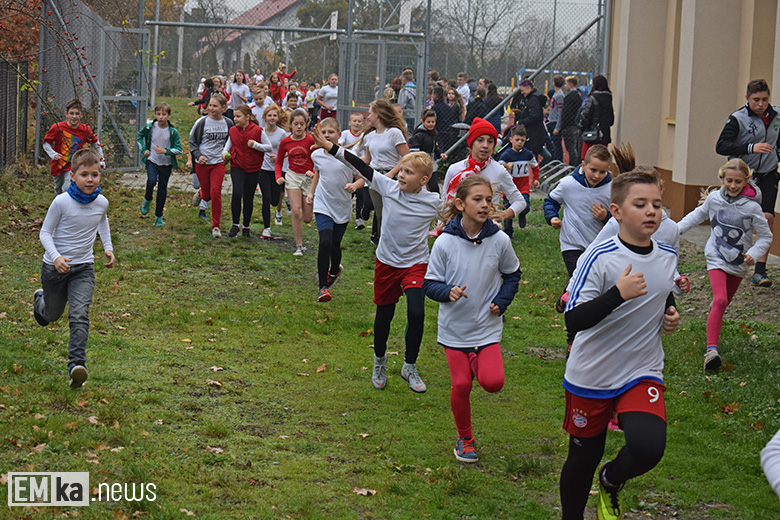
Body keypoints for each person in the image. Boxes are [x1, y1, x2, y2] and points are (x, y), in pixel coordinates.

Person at [559, 168, 680, 520]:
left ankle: (611, 480)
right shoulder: (598, 258)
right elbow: (573, 320)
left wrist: (669, 311)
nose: (652, 211)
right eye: (640, 204)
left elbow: (661, 290)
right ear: (616, 212)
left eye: (657, 204)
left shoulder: (667, 254)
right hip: (592, 373)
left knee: (648, 448)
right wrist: (617, 295)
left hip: (642, 369)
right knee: (583, 456)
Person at [312, 135, 440, 394]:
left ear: (424, 180)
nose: (401, 175)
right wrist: (332, 148)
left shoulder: (433, 202)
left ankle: (409, 366)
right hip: (387, 263)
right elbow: (361, 166)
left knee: (416, 313)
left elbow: (457, 212)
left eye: (409, 172)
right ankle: (379, 361)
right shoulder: (388, 187)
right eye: (401, 170)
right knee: (385, 315)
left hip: (415, 264)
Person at [423, 175, 521, 462]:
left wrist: (501, 302)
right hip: (455, 328)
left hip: (487, 326)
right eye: (477, 199)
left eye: (488, 200)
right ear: (460, 204)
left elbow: (513, 275)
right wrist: (447, 291)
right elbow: (429, 284)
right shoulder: (444, 243)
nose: (484, 205)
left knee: (493, 383)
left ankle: (479, 361)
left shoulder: (500, 240)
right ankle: (464, 439)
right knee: (462, 385)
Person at [677, 158, 772, 371]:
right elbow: (696, 216)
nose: (733, 186)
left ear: (746, 181)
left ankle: (714, 316)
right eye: (729, 180)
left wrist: (754, 254)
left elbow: (766, 236)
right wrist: (675, 230)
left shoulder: (752, 207)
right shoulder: (714, 199)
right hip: (716, 257)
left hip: (739, 262)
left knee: (723, 302)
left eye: (738, 181)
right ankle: (711, 352)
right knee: (720, 299)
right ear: (722, 179)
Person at [33, 148, 116, 389]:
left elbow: (102, 220)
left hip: (84, 268)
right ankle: (40, 301)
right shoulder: (61, 202)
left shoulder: (102, 202)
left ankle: (76, 366)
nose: (90, 180)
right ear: (73, 176)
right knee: (51, 315)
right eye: (84, 175)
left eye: (95, 175)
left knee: (80, 315)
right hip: (55, 269)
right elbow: (45, 232)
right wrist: (56, 256)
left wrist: (108, 248)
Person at [716, 78, 780, 287]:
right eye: (756, 100)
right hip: (744, 177)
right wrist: (751, 147)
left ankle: (760, 272)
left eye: (764, 99)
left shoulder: (777, 116)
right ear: (747, 98)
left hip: (769, 173)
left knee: (767, 218)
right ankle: (729, 261)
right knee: (740, 220)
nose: (761, 104)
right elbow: (722, 146)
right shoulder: (738, 118)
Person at [308, 119, 365, 302]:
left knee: (334, 244)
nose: (327, 135)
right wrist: (311, 193)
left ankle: (334, 270)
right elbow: (318, 173)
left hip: (342, 206)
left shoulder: (348, 155)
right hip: (323, 204)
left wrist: (354, 186)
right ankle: (323, 287)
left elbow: (361, 178)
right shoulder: (316, 155)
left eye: (331, 132)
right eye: (323, 132)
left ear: (339, 135)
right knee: (324, 241)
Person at [544, 145, 613, 279]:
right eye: (593, 170)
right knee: (577, 278)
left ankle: (567, 299)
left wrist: (606, 217)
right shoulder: (568, 184)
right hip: (572, 243)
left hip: (599, 244)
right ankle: (568, 299)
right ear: (583, 165)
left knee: (595, 281)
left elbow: (620, 218)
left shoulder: (612, 189)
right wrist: (552, 217)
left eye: (602, 172)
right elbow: (551, 201)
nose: (597, 175)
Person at [441, 118, 526, 222]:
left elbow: (520, 201)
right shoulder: (454, 169)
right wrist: (443, 226)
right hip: (456, 230)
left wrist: (503, 214)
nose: (485, 145)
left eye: (490, 141)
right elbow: (445, 203)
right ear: (471, 142)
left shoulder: (499, 171)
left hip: (487, 231)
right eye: (480, 140)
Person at [360, 99, 410, 244]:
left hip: (392, 178)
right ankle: (382, 242)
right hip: (375, 178)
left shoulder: (394, 133)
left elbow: (406, 156)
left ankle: (394, 242)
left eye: (370, 113)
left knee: (392, 213)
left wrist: (392, 173)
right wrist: (345, 158)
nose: (368, 117)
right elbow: (368, 159)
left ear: (378, 114)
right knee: (380, 213)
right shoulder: (369, 136)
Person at [222, 105, 272, 238]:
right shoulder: (233, 130)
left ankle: (246, 226)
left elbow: (269, 147)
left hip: (253, 168)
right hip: (237, 165)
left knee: (248, 197)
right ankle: (235, 225)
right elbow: (228, 145)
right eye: (234, 116)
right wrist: (224, 153)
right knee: (237, 193)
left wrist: (255, 145)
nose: (235, 119)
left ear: (247, 117)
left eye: (238, 116)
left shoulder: (258, 131)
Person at [189, 93, 234, 238]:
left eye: (215, 106)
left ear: (223, 108)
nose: (211, 108)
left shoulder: (228, 123)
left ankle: (216, 226)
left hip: (218, 163)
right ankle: (201, 193)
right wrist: (198, 156)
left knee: (216, 193)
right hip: (202, 163)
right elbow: (192, 143)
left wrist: (228, 155)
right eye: (210, 105)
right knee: (208, 195)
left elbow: (231, 142)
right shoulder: (201, 123)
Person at [43, 98, 105, 195]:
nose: (74, 116)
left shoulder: (85, 129)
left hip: (74, 164)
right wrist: (53, 154)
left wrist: (101, 159)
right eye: (71, 113)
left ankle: (69, 205)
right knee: (58, 189)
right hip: (58, 164)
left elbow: (95, 143)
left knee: (67, 187)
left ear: (81, 115)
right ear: (66, 114)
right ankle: (59, 205)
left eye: (77, 114)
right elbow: (46, 143)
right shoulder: (57, 127)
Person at [275, 109, 316, 255]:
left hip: (308, 178)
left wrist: (314, 173)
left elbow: (319, 160)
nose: (299, 127)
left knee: (307, 217)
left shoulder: (311, 140)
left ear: (306, 125)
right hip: (292, 176)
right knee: (296, 212)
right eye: (296, 124)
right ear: (290, 125)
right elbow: (278, 162)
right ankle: (299, 245)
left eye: (301, 124)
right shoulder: (285, 142)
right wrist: (278, 176)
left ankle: (307, 215)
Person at [136, 102, 183, 227]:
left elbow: (179, 149)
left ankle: (158, 216)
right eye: (158, 114)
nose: (161, 117)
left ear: (169, 115)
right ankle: (147, 199)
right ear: (155, 115)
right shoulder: (149, 127)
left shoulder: (173, 132)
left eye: (164, 114)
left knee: (162, 190)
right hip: (152, 160)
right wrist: (144, 149)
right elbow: (139, 137)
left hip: (166, 164)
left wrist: (165, 151)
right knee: (151, 181)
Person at [498, 125, 539, 235]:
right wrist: (506, 166)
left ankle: (522, 214)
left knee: (525, 206)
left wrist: (536, 179)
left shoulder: (528, 154)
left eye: (522, 140)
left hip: (523, 187)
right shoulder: (506, 155)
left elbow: (535, 166)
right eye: (517, 140)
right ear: (511, 140)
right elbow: (499, 167)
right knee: (507, 211)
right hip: (509, 188)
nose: (519, 142)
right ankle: (508, 233)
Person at [258, 104, 289, 238]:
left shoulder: (282, 133)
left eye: (274, 115)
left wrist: (279, 157)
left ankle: (277, 209)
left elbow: (288, 150)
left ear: (278, 118)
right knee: (266, 197)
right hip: (263, 169)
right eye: (269, 115)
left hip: (278, 169)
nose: (272, 118)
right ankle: (266, 228)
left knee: (275, 200)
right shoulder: (260, 132)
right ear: (265, 117)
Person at [339, 112, 368, 229]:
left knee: (360, 194)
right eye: (354, 121)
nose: (356, 123)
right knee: (347, 193)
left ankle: (358, 219)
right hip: (346, 167)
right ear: (350, 123)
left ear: (363, 124)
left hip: (359, 168)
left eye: (359, 121)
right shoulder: (345, 134)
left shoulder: (365, 136)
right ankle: (342, 215)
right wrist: (354, 144)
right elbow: (339, 148)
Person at [408, 108, 447, 193]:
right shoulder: (419, 135)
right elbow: (414, 150)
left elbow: (435, 146)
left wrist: (440, 154)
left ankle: (435, 201)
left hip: (431, 162)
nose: (431, 124)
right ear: (423, 122)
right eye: (428, 122)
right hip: (421, 162)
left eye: (433, 122)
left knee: (434, 187)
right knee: (417, 185)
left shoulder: (434, 133)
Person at [577, 75, 614, 158]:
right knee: (601, 158)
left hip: (591, 135)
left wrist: (581, 127)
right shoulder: (608, 99)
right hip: (604, 135)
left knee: (587, 159)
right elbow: (611, 120)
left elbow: (585, 116)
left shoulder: (592, 98)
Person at [514, 79, 547, 158]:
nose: (522, 93)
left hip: (533, 133)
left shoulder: (533, 99)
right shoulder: (532, 98)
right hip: (535, 132)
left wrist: (521, 122)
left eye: (523, 90)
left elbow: (534, 116)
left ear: (529, 88)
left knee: (531, 153)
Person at [559, 76, 582, 166]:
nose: (565, 86)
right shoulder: (578, 97)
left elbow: (566, 113)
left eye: (566, 84)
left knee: (571, 148)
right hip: (575, 125)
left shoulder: (569, 97)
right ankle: (574, 165)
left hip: (569, 126)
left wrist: (562, 126)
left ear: (570, 84)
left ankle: (572, 166)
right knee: (574, 146)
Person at [431, 86, 457, 151]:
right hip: (447, 132)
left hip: (438, 132)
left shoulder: (435, 107)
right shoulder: (448, 107)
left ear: (435, 95)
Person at [548, 75, 566, 162]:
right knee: (553, 144)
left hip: (555, 122)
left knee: (557, 145)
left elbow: (560, 112)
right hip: (551, 121)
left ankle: (558, 162)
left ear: (554, 83)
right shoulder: (556, 94)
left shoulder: (559, 96)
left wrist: (557, 127)